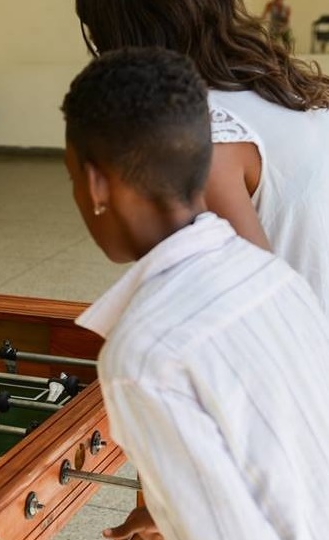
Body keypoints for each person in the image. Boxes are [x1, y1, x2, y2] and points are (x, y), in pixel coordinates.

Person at [62, 47, 329, 539]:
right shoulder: (274, 276)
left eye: (72, 177)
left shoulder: (145, 355)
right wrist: (170, 509)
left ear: (96, 183)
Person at [75, 0, 329, 313]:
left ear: (121, 39)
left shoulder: (204, 130)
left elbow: (254, 304)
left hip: (296, 335)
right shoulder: (285, 87)